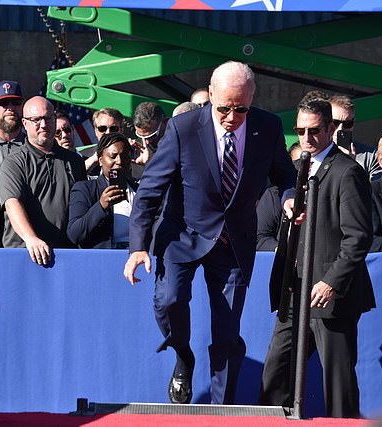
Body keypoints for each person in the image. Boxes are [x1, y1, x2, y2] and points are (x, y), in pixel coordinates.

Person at [124, 61, 297, 405]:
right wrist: (137, 246)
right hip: (182, 234)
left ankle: (222, 409)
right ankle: (183, 357)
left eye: (241, 108)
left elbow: (287, 176)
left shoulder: (268, 127)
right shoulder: (182, 128)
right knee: (169, 300)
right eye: (224, 108)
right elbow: (150, 191)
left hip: (233, 243)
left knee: (227, 334)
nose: (232, 116)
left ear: (252, 100)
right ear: (211, 96)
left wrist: (291, 198)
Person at [259, 98, 375, 418]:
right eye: (300, 130)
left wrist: (331, 283)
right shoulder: (294, 172)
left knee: (338, 386)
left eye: (313, 130)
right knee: (275, 375)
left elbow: (358, 237)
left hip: (328, 297)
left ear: (330, 128)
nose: (306, 137)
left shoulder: (347, 171)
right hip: (294, 292)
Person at [0, 96, 86, 263]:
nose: (44, 125)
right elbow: (12, 203)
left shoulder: (74, 161)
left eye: (48, 118)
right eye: (36, 120)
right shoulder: (14, 162)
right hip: (25, 255)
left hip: (66, 256)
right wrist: (31, 239)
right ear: (24, 123)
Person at [67, 133, 137, 248]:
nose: (119, 161)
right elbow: (74, 234)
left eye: (124, 156)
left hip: (138, 259)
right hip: (104, 261)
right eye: (113, 156)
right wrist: (101, 206)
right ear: (100, 160)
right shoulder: (85, 189)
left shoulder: (139, 189)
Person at [329, 95, 382, 181]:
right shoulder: (316, 153)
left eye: (347, 123)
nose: (340, 129)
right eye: (335, 123)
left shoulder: (371, 156)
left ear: (353, 124)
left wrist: (351, 166)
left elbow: (374, 192)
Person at [131, 101, 167, 169]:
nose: (145, 142)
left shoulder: (179, 147)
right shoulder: (136, 151)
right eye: (140, 136)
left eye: (151, 136)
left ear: (165, 123)